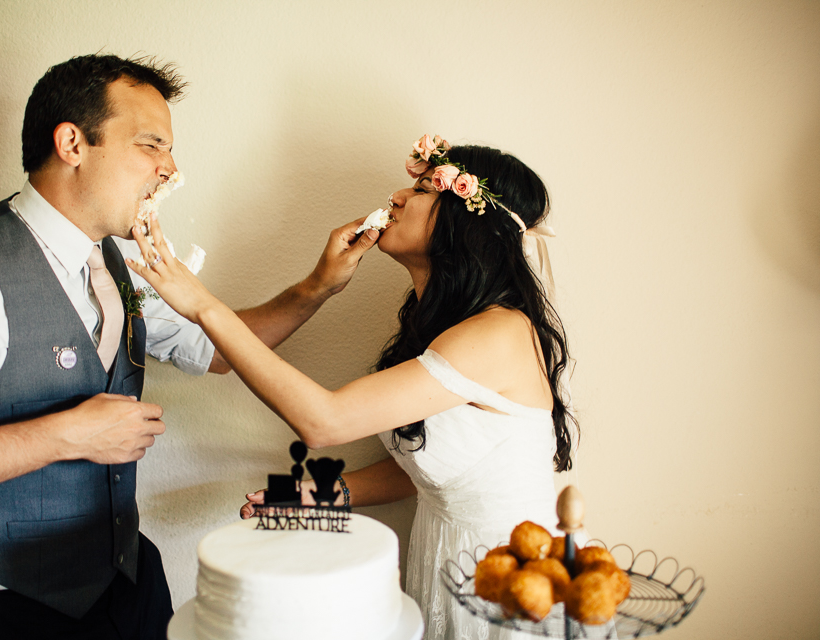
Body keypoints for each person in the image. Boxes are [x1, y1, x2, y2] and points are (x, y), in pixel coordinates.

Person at [0, 54, 376, 639]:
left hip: (126, 585)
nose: (171, 168)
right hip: (4, 612)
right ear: (73, 143)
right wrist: (67, 435)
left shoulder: (118, 262)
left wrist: (317, 288)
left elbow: (218, 349)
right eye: (152, 145)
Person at [126, 135, 578, 639]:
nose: (398, 196)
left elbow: (325, 422)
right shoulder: (444, 329)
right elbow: (437, 469)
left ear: (469, 221)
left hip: (506, 581)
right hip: (444, 555)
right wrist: (324, 494)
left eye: (426, 186)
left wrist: (203, 306)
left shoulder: (499, 332)